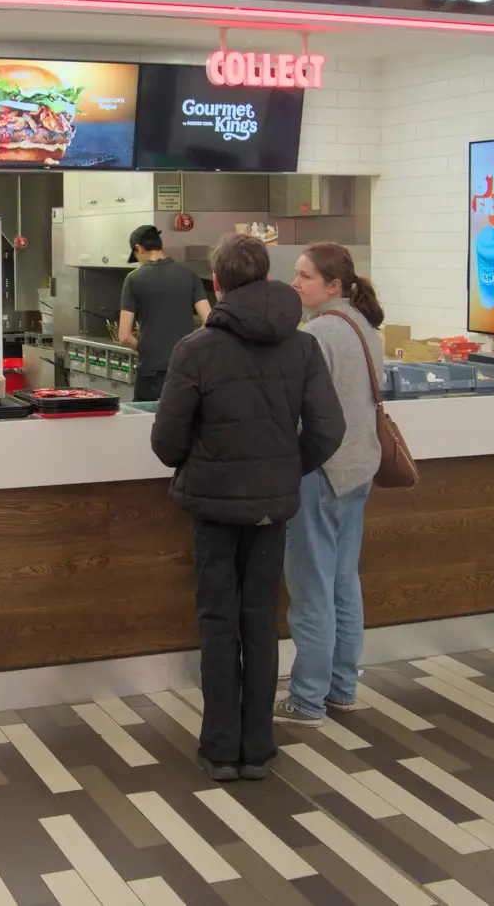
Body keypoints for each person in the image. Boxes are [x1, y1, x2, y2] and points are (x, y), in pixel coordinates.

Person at [150, 233, 345, 780]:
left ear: (218, 283)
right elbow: (329, 429)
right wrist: (286, 468)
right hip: (273, 511)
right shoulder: (302, 344)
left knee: (218, 623)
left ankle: (220, 749)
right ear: (266, 276)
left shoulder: (196, 350)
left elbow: (166, 443)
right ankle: (258, 750)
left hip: (214, 511)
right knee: (261, 621)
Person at [276, 241, 385, 727]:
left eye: (304, 277)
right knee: (344, 583)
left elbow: (297, 409)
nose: (295, 284)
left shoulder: (318, 333)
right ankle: (342, 688)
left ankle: (306, 699)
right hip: (359, 470)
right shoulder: (365, 328)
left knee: (311, 589)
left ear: (334, 285)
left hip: (319, 473)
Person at [119, 225, 211, 402]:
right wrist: (187, 345)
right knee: (182, 425)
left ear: (138, 248)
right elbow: (210, 321)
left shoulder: (133, 279)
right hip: (185, 369)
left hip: (150, 372)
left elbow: (124, 335)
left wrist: (145, 347)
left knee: (147, 424)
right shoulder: (189, 275)